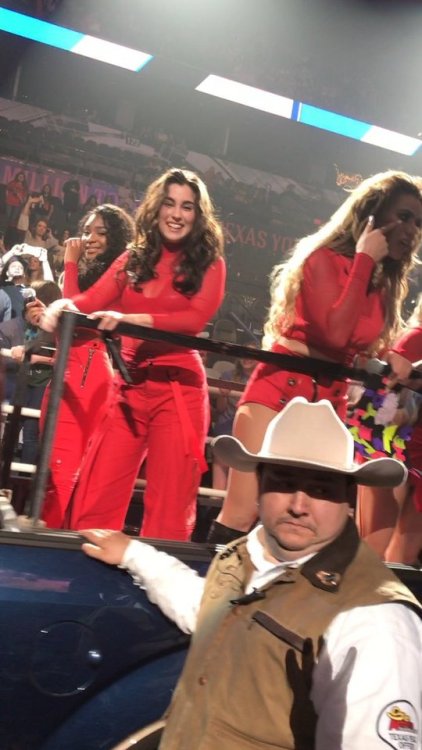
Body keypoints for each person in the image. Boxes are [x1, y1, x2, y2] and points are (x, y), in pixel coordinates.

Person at [80, 397, 422, 750]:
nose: (298, 506)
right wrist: (135, 555)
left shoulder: (375, 617)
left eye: (321, 489)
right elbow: (211, 610)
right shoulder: (241, 558)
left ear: (349, 498)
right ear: (259, 484)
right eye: (284, 483)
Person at [209, 170, 422, 544]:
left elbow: (358, 345)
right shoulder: (324, 258)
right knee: (243, 512)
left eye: (419, 223)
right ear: (372, 213)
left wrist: (390, 354)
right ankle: (208, 597)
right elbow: (334, 333)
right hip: (278, 391)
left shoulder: (382, 281)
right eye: (404, 216)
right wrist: (364, 261)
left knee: (310, 525)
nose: (412, 230)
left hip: (329, 404)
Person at [40, 168, 225, 540]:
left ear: (198, 215)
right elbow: (89, 302)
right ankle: (89, 588)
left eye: (187, 207)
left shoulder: (211, 263)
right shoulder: (132, 259)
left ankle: (156, 593)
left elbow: (194, 319)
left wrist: (133, 319)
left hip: (178, 389)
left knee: (169, 508)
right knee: (97, 496)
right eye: (169, 203)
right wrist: (60, 306)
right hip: (128, 386)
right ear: (156, 208)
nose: (177, 213)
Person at [28, 204, 136, 529]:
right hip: (65, 373)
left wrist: (71, 265)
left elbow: (75, 313)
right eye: (88, 231)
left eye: (100, 232)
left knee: (63, 473)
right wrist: (42, 315)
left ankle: (55, 555)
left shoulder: (116, 275)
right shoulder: (84, 273)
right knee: (53, 470)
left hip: (87, 377)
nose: (90, 238)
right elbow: (67, 315)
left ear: (116, 237)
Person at [357, 294, 422, 565]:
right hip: (397, 449)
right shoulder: (415, 338)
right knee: (376, 548)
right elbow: (383, 406)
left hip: (409, 450)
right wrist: (407, 414)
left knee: (401, 555)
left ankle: (388, 605)